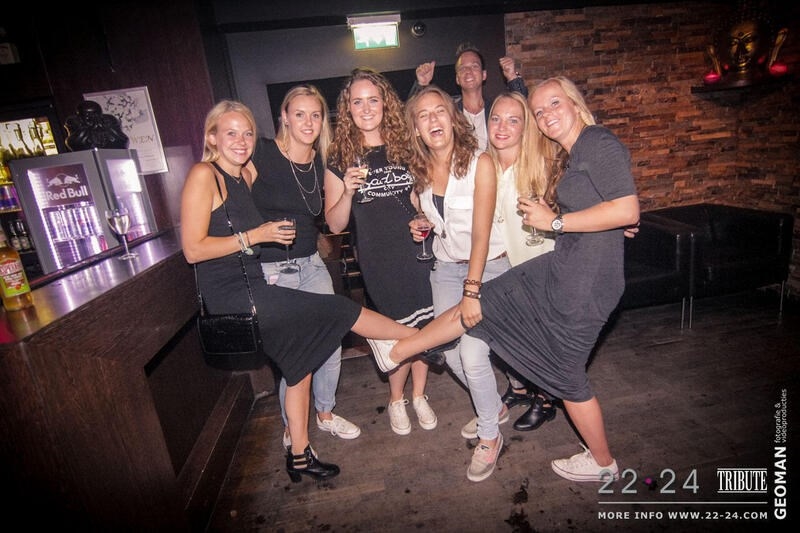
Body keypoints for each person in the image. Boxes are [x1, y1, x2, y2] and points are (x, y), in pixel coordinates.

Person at [369, 76, 640, 483]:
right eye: (540, 110)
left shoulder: (595, 141)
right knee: (550, 358)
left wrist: (564, 221)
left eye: (554, 104)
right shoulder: (569, 153)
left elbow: (625, 207)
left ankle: (397, 350)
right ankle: (400, 350)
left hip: (584, 277)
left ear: (575, 103)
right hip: (567, 267)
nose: (547, 115)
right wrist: (612, 222)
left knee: (556, 365)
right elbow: (612, 204)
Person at [181, 100, 418, 483]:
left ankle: (300, 454)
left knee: (299, 364)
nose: (241, 141)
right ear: (211, 138)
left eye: (246, 133)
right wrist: (256, 235)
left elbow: (290, 168)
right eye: (230, 133)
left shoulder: (243, 176)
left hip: (254, 285)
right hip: (234, 295)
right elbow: (193, 249)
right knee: (338, 310)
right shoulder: (204, 174)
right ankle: (419, 339)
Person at [324, 67, 438, 437]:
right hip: (378, 258)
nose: (366, 108)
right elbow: (335, 224)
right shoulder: (340, 157)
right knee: (397, 328)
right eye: (357, 102)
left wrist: (422, 217)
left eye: (373, 99)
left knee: (425, 324)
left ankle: (419, 394)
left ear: (385, 103)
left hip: (416, 249)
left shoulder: (406, 144)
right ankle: (396, 399)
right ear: (348, 109)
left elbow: (419, 199)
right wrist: (348, 191)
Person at [405, 84, 510, 482]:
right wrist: (421, 222)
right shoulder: (419, 171)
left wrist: (472, 290)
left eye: (439, 111)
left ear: (453, 119)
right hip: (446, 268)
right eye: (424, 115)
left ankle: (490, 435)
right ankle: (494, 408)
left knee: (472, 354)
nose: (433, 119)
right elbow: (437, 217)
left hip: (487, 268)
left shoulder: (480, 162)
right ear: (416, 128)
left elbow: (481, 233)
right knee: (447, 352)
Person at [246, 84, 360, 448]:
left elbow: (328, 217)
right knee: (296, 354)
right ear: (284, 117)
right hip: (272, 271)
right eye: (299, 114)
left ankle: (325, 413)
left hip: (311, 265)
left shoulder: (321, 161)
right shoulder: (261, 152)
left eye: (315, 115)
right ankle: (291, 427)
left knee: (330, 342)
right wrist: (250, 236)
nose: (308, 122)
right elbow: (233, 196)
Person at [485, 91, 559, 433]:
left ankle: (546, 398)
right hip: (501, 268)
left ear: (525, 126)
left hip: (539, 266)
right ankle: (519, 388)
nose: (502, 127)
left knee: (541, 336)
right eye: (496, 118)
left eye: (513, 120)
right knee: (505, 333)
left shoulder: (541, 165)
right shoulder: (483, 166)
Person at [410, 43, 527, 151]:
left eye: (474, 66)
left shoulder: (495, 109)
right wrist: (422, 84)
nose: (468, 71)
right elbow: (411, 121)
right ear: (457, 78)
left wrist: (512, 76)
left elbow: (523, 109)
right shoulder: (450, 112)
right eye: (462, 68)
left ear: (484, 75)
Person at [64, 100, 129, 151]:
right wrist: (85, 129)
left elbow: (123, 141)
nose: (94, 118)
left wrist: (107, 128)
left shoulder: (109, 120)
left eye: (96, 114)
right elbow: (74, 143)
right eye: (88, 115)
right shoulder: (75, 122)